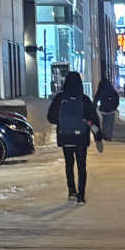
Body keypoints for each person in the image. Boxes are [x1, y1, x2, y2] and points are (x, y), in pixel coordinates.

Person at [47, 71, 100, 205]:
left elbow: (50, 117)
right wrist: (97, 136)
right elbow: (93, 118)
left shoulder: (60, 98)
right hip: (81, 137)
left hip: (65, 137)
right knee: (81, 166)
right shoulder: (84, 99)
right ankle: (81, 196)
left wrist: (62, 122)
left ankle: (71, 191)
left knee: (69, 164)